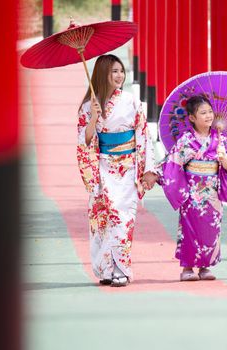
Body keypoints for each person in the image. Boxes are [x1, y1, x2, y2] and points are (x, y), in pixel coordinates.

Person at [76, 54, 157, 287]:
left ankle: (121, 268)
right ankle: (105, 269)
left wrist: (148, 169)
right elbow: (85, 141)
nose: (120, 75)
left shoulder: (131, 101)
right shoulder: (88, 106)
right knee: (103, 218)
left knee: (123, 218)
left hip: (128, 167)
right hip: (102, 167)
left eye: (121, 71)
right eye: (114, 71)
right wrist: (93, 118)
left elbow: (143, 135)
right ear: (103, 74)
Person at [155, 94, 227, 281]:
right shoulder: (186, 140)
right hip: (192, 193)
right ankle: (187, 268)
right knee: (189, 230)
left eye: (210, 112)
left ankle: (205, 266)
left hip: (212, 193)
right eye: (203, 113)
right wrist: (155, 174)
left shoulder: (222, 141)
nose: (209, 116)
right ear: (192, 118)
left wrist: (225, 160)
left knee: (211, 230)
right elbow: (173, 162)